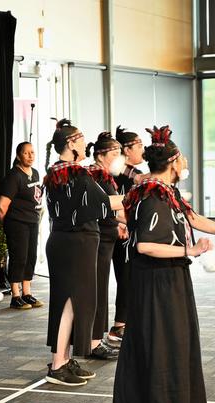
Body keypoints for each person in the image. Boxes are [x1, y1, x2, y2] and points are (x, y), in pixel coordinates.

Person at [112, 126, 215, 403]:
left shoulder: (167, 191)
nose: (186, 161)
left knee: (178, 343)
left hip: (171, 276)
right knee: (163, 347)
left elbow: (192, 218)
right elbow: (145, 246)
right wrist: (191, 250)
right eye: (183, 157)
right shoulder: (152, 196)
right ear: (175, 161)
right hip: (155, 280)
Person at [43, 119, 124, 387]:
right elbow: (105, 203)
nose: (84, 143)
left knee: (70, 302)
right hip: (74, 243)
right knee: (71, 302)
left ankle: (64, 359)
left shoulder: (59, 172)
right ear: (70, 144)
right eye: (79, 139)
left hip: (67, 241)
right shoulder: (74, 174)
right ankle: (57, 365)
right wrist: (144, 193)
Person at [85, 131, 127, 359]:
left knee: (101, 288)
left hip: (108, 236)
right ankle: (93, 341)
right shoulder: (96, 175)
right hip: (99, 238)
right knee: (98, 289)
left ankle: (95, 339)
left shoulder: (104, 175)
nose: (119, 157)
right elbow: (112, 205)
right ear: (101, 155)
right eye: (115, 153)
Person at [108, 125, 145, 344]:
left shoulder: (135, 174)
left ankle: (127, 321)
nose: (143, 149)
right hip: (119, 232)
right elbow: (112, 201)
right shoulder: (119, 173)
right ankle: (119, 325)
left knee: (130, 277)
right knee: (125, 277)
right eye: (139, 145)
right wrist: (119, 224)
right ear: (127, 150)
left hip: (130, 230)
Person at [0, 142, 43, 310]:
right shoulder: (14, 176)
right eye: (26, 153)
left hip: (32, 221)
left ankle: (27, 293)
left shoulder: (35, 173)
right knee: (19, 257)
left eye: (32, 152)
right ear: (18, 156)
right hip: (17, 223)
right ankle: (15, 295)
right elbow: (2, 205)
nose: (30, 156)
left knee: (30, 257)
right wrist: (8, 224)